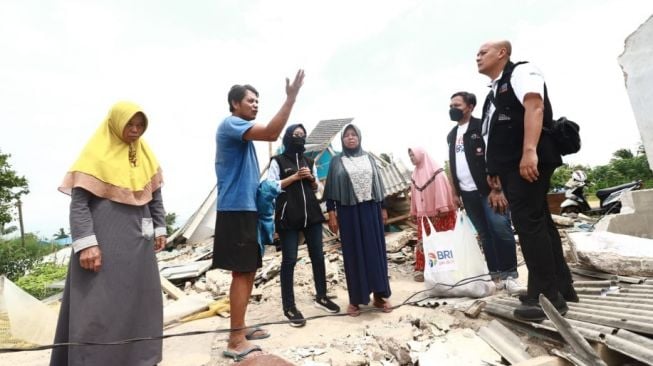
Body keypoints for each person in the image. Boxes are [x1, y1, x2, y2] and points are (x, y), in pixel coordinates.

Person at [51, 101, 166, 366]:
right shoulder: (95, 156)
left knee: (141, 305)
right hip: (103, 245)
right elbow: (79, 203)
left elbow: (156, 196)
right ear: (116, 124)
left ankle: (140, 360)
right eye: (130, 125)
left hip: (138, 247)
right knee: (97, 308)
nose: (135, 131)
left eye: (140, 126)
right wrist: (86, 245)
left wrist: (160, 228)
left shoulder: (145, 155)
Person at [476, 40, 577, 321]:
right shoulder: (495, 90)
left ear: (502, 53)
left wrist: (529, 151)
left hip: (528, 162)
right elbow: (496, 132)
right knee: (539, 222)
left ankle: (546, 298)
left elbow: (535, 107)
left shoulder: (521, 71)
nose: (478, 57)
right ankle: (559, 287)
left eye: (483, 52)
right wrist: (494, 169)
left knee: (529, 225)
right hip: (511, 166)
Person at [213, 70, 304, 361]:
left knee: (248, 269)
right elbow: (273, 133)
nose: (255, 104)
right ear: (234, 104)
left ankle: (240, 327)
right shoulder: (230, 124)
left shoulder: (241, 133)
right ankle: (235, 340)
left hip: (247, 209)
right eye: (250, 100)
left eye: (257, 101)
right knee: (242, 271)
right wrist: (291, 98)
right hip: (236, 210)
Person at [267, 123, 341, 327]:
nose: (299, 137)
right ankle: (289, 306)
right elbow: (270, 186)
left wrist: (310, 178)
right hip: (288, 217)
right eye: (296, 134)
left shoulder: (309, 161)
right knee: (289, 260)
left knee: (318, 256)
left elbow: (317, 188)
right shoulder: (278, 161)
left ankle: (322, 296)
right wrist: (293, 177)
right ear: (288, 137)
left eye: (303, 135)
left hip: (312, 215)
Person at [446, 91, 520, 286]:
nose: (452, 109)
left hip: (489, 191)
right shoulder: (452, 135)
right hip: (467, 193)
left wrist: (499, 189)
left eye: (457, 105)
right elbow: (452, 165)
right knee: (484, 233)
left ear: (470, 107)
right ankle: (495, 272)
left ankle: (510, 274)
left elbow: (497, 157)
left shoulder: (482, 127)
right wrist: (455, 193)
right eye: (451, 105)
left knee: (500, 228)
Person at [324, 124, 392, 317]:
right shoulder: (337, 161)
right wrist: (331, 213)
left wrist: (383, 207)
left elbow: (379, 183)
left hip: (370, 209)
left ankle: (380, 295)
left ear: (359, 138)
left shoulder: (369, 158)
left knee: (375, 252)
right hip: (348, 212)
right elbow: (330, 189)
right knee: (353, 254)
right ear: (342, 140)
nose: (351, 138)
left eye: (354, 135)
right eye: (347, 136)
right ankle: (356, 299)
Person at [407, 147, 457, 282]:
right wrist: (414, 211)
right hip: (423, 215)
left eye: (413, 155)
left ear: (420, 154)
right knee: (423, 241)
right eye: (409, 156)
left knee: (443, 241)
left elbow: (441, 190)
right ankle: (422, 269)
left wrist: (442, 207)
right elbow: (414, 195)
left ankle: (447, 268)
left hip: (440, 213)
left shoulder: (437, 172)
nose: (411, 158)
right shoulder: (414, 175)